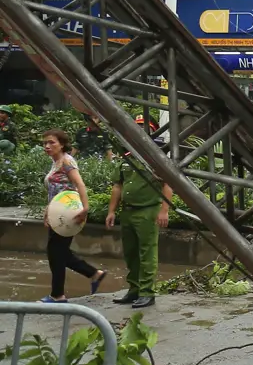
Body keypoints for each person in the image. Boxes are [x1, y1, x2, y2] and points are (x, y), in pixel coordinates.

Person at [106, 132, 171, 309]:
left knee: (147, 252)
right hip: (127, 212)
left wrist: (164, 211)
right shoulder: (125, 160)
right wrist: (111, 211)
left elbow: (168, 184)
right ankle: (134, 289)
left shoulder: (155, 162)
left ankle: (147, 292)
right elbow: (117, 186)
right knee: (131, 253)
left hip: (147, 211)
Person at [40, 129, 106, 302]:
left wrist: (85, 208)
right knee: (59, 252)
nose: (47, 146)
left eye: (51, 142)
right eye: (45, 143)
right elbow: (56, 191)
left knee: (56, 253)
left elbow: (79, 184)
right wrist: (48, 211)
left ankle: (58, 295)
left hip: (68, 215)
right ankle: (94, 273)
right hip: (58, 214)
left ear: (62, 144)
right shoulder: (55, 162)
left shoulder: (67, 161)